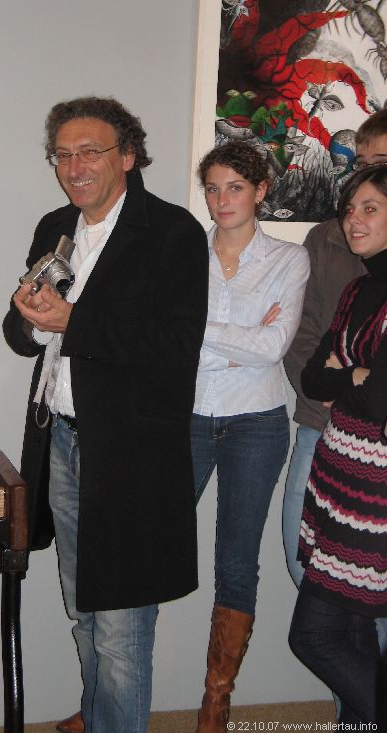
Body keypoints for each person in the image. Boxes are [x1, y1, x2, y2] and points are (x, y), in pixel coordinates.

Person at [2, 96, 209, 733]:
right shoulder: (54, 226)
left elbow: (174, 346)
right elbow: (19, 334)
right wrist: (31, 320)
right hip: (61, 444)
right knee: (85, 614)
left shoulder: (172, 232)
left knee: (120, 630)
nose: (74, 167)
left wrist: (74, 321)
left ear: (127, 156)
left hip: (130, 456)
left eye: (90, 151)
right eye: (62, 155)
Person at [191, 141, 310, 733]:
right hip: (187, 416)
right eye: (213, 188)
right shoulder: (185, 255)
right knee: (146, 546)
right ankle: (116, 696)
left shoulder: (289, 259)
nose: (222, 200)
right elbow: (165, 339)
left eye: (235, 187)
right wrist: (239, 341)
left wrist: (199, 332)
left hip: (257, 423)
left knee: (237, 561)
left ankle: (217, 702)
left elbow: (272, 347)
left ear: (261, 191)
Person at [288, 164, 387, 725]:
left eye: (370, 208)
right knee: (352, 634)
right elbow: (312, 379)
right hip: (337, 478)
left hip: (375, 497)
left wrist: (341, 376)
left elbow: (377, 400)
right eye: (350, 209)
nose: (353, 220)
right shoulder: (357, 290)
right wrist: (353, 374)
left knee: (314, 636)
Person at [283, 109, 387, 588]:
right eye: (361, 163)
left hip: (376, 440)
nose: (365, 174)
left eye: (380, 162)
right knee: (305, 566)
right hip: (319, 423)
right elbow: (304, 332)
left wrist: (347, 383)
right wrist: (334, 386)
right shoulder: (326, 237)